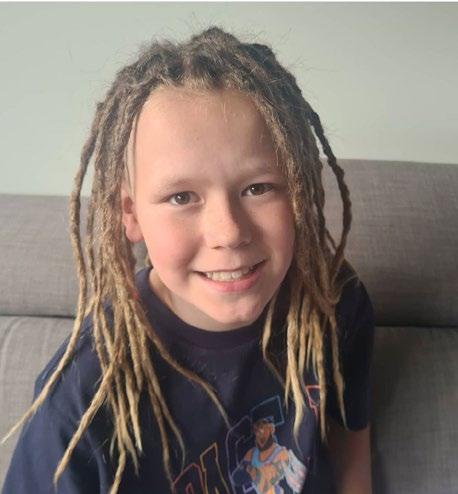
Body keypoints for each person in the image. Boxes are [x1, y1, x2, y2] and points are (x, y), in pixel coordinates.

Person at [2, 26, 375, 494]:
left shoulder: (334, 301)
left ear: (298, 189)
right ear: (130, 214)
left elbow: (350, 453)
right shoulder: (80, 397)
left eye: (258, 187)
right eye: (182, 197)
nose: (229, 232)